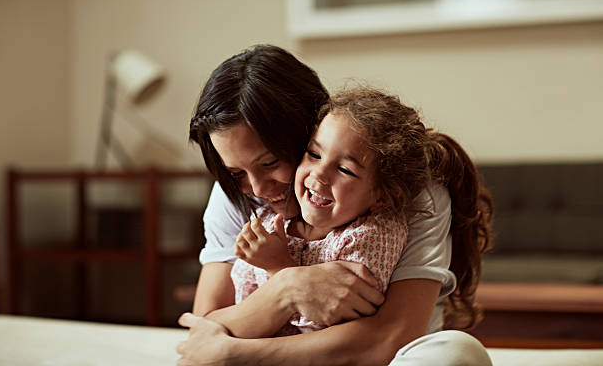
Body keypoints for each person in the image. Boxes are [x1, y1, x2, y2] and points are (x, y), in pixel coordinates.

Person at [177, 44, 494, 366]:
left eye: (270, 162)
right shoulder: (237, 192)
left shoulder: (413, 192)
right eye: (235, 171)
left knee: (456, 353)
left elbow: (389, 337)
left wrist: (236, 352)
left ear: (313, 130)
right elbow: (204, 330)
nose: (257, 188)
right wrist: (287, 287)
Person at [231, 88, 417, 334]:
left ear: (382, 197)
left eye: (345, 170)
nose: (319, 174)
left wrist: (279, 267)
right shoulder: (271, 221)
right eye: (314, 154)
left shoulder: (373, 235)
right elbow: (242, 302)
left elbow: (336, 323)